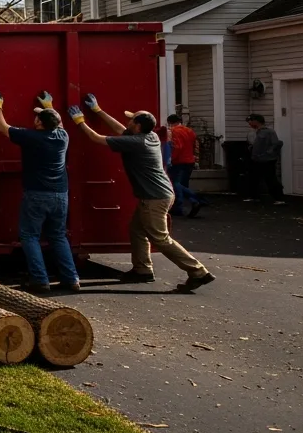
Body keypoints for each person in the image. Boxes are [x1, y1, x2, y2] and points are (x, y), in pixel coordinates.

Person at [67, 95, 214, 291]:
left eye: (131, 119)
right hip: (159, 194)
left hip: (154, 198)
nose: (127, 121)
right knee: (137, 230)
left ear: (137, 126)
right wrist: (98, 111)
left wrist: (79, 122)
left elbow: (97, 138)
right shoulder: (149, 136)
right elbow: (121, 129)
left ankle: (198, 271)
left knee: (160, 239)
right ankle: (142, 269)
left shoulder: (137, 143)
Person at [0, 89, 78, 294]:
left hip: (36, 193)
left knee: (29, 236)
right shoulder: (63, 136)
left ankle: (40, 279)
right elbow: (59, 123)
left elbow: (2, 127)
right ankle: (71, 278)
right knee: (58, 236)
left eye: (37, 118)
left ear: (39, 124)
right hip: (60, 195)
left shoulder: (31, 137)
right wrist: (49, 107)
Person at [165, 115, 203, 217]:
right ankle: (192, 201)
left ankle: (191, 201)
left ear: (170, 122)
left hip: (178, 161)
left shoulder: (173, 131)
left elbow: (177, 147)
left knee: (175, 184)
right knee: (183, 184)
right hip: (189, 160)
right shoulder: (189, 131)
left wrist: (170, 159)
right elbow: (195, 144)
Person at [246, 114, 284, 201]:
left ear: (256, 121)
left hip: (267, 160)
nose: (249, 124)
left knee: (270, 179)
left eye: (250, 121)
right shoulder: (253, 133)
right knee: (253, 178)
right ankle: (254, 197)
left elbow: (276, 144)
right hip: (255, 159)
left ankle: (279, 199)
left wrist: (268, 153)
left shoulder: (269, 132)